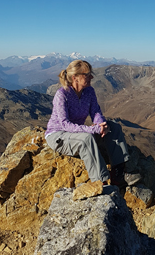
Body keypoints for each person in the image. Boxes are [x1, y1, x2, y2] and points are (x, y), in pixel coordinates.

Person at [45, 60, 132, 189]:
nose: (92, 77)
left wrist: (101, 125)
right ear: (75, 77)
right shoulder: (62, 95)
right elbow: (65, 124)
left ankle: (119, 174)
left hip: (76, 133)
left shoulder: (89, 91)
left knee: (114, 127)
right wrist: (93, 129)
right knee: (86, 139)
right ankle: (100, 182)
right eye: (87, 74)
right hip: (59, 136)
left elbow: (95, 111)